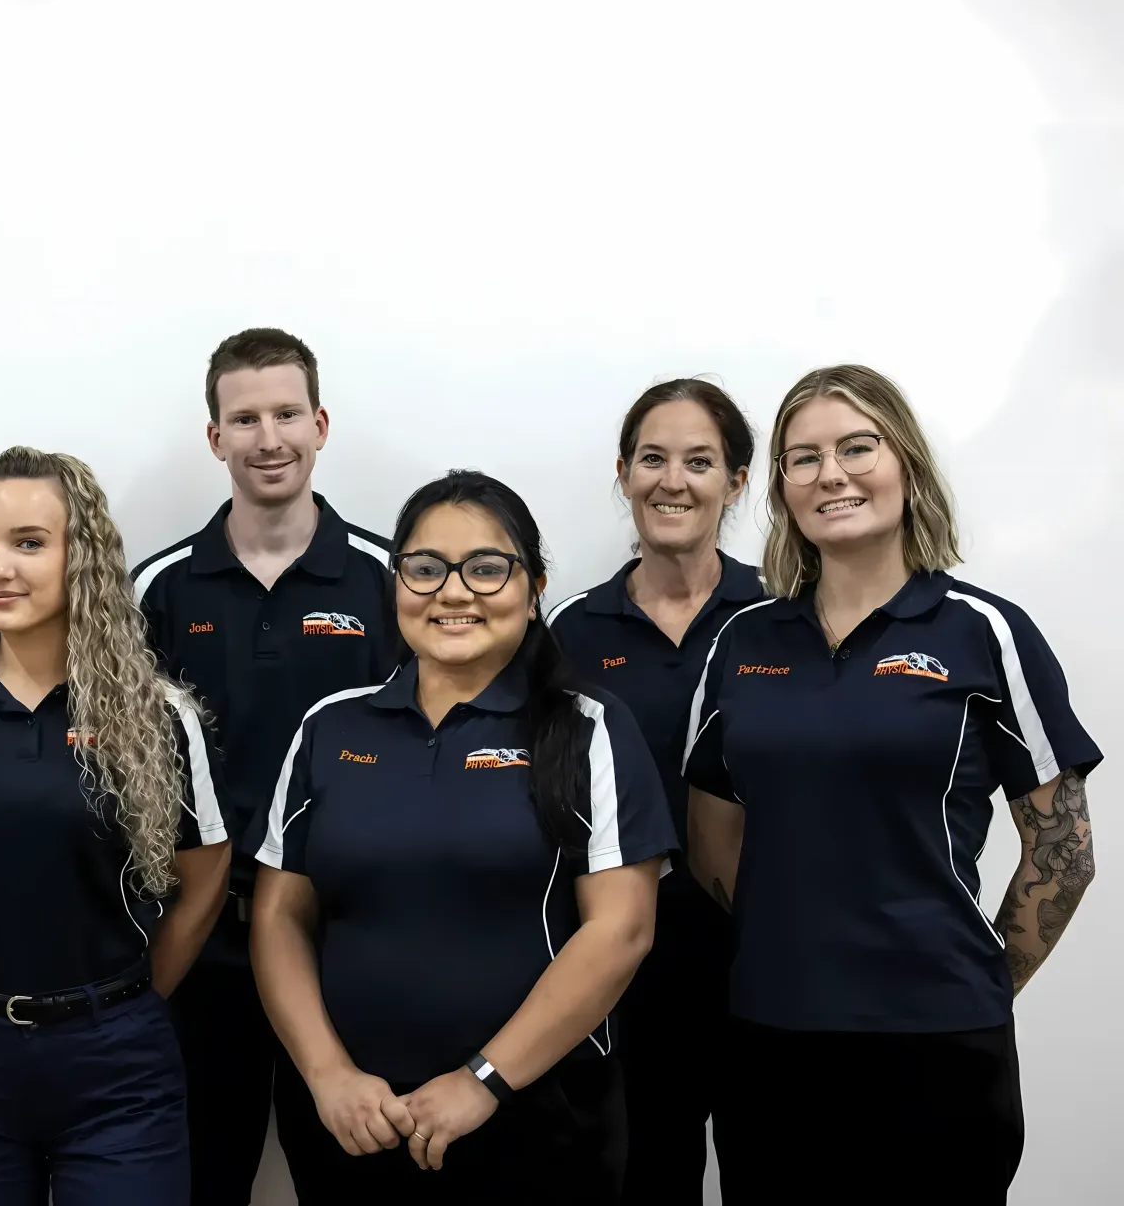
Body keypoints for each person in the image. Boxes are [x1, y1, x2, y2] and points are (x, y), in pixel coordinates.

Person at [683, 365, 1102, 1203]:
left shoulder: (985, 631)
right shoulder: (741, 639)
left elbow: (1064, 851)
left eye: (856, 446)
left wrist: (969, 981)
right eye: (803, 459)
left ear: (905, 463)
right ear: (783, 491)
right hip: (773, 1041)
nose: (831, 473)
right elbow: (711, 838)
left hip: (939, 1047)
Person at [254, 470, 675, 1205]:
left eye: (487, 567)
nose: (453, 591)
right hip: (355, 1118)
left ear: (535, 586)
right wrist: (327, 1075)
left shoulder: (588, 727)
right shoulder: (330, 726)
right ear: (396, 583)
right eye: (424, 567)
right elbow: (278, 915)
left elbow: (623, 929)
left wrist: (483, 1080)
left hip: (538, 1115)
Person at [0, 445, 232, 1205]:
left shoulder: (156, 713)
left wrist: (125, 1001)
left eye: (29, 543)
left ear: (84, 558)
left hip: (117, 1069)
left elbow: (203, 878)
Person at [131, 327, 395, 1204]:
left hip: (349, 940)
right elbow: (123, 765)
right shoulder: (160, 588)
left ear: (321, 423)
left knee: (350, 1171)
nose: (268, 437)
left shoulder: (390, 581)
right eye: (244, 418)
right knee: (200, 1176)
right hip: (204, 940)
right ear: (215, 437)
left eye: (286, 413)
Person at [547, 378, 763, 1202]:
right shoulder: (568, 631)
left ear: (736, 482)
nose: (673, 480)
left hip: (764, 959)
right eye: (652, 459)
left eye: (699, 461)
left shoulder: (785, 616)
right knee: (642, 1180)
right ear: (624, 472)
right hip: (617, 963)